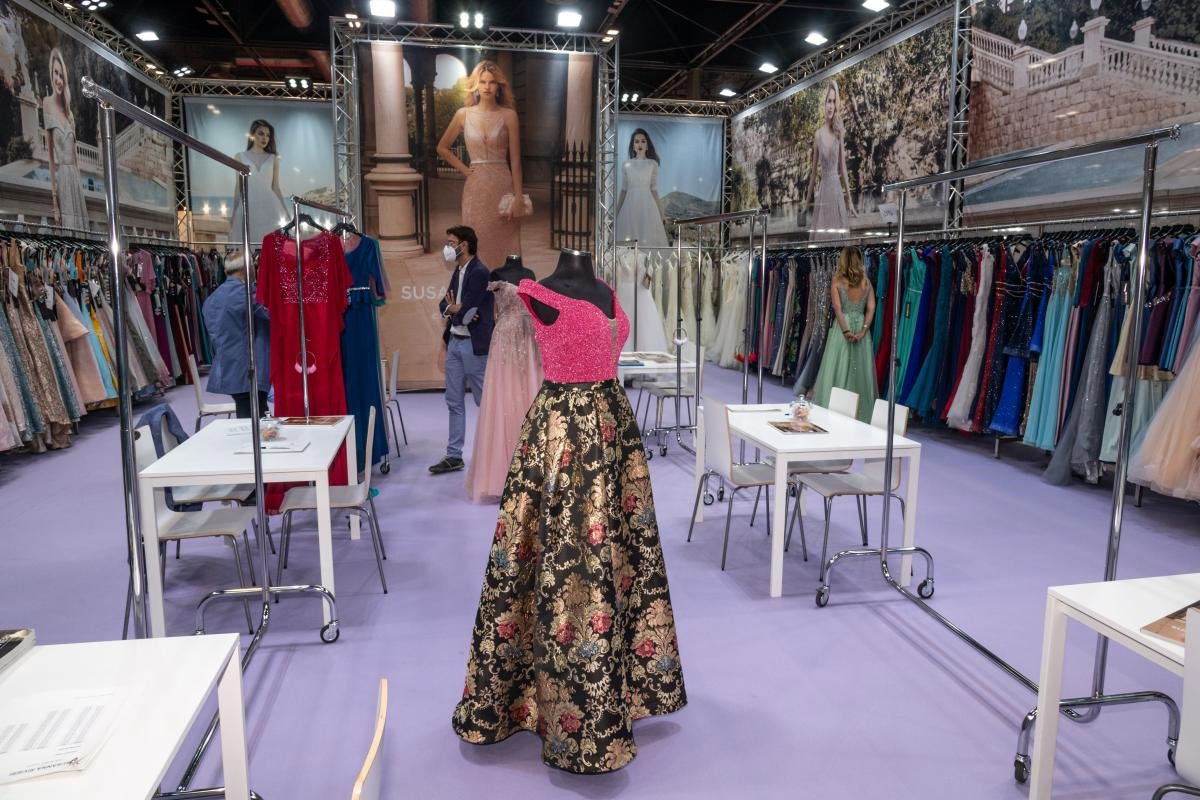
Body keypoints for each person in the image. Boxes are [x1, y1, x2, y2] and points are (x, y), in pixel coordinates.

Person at [452, 249, 686, 773]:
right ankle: (555, 703)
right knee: (564, 558)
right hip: (564, 430)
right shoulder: (535, 293)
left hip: (613, 428)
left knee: (619, 557)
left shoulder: (607, 290)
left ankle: (623, 690)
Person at [464, 255, 543, 502]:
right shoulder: (496, 273)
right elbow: (493, 308)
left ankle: (532, 473)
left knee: (530, 390)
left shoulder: (530, 273)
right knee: (505, 391)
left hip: (528, 334)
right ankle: (501, 476)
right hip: (507, 334)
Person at [437, 60, 524, 269]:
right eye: (482, 82)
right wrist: (465, 170)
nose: (487, 87)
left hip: (502, 187)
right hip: (475, 191)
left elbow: (516, 161)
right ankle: (476, 286)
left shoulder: (509, 115)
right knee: (475, 241)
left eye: (492, 82)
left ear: (499, 86)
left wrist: (519, 197)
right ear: (475, 85)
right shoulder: (463, 114)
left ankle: (503, 287)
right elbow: (442, 148)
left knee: (505, 244)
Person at [431, 225, 494, 475]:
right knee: (453, 401)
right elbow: (445, 306)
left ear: (464, 245)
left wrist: (458, 310)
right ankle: (454, 456)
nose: (447, 247)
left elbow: (467, 312)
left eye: (451, 242)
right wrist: (455, 309)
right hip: (455, 343)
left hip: (473, 345)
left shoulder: (479, 272)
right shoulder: (459, 270)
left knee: (484, 401)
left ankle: (494, 454)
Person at [809, 247, 876, 421]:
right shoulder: (866, 282)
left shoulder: (837, 281)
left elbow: (838, 309)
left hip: (842, 327)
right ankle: (860, 413)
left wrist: (846, 330)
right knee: (860, 371)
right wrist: (863, 330)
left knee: (838, 367)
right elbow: (871, 308)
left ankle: (834, 409)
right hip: (860, 325)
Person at [201, 254, 271, 418]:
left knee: (249, 411)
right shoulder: (246, 294)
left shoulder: (212, 298)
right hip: (248, 368)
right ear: (248, 269)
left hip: (227, 367)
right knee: (254, 418)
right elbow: (273, 314)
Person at [802, 82, 857, 241]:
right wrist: (806, 204)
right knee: (823, 238)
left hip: (836, 191)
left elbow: (843, 168)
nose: (831, 106)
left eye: (834, 101)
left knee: (839, 238)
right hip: (823, 192)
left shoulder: (839, 131)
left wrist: (850, 201)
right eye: (828, 101)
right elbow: (813, 174)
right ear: (824, 103)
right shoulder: (818, 135)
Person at [42, 48, 88, 230]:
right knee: (69, 231)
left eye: (61, 75)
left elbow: (76, 161)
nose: (58, 80)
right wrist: (55, 203)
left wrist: (80, 190)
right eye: (55, 73)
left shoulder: (70, 115)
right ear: (51, 73)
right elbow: (50, 160)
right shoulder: (47, 104)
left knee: (82, 231)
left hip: (75, 180)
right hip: (62, 179)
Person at [229, 119, 289, 247]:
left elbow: (275, 187)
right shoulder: (240, 157)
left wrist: (286, 211)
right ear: (252, 135)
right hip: (248, 208)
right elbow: (239, 187)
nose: (264, 138)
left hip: (270, 209)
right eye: (261, 133)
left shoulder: (273, 158)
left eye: (268, 135)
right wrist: (234, 213)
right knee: (248, 247)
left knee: (271, 247)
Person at [615, 128, 669, 247]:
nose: (640, 144)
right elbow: (624, 190)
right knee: (629, 239)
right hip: (629, 207)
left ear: (647, 145)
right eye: (637, 141)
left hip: (648, 207)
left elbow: (654, 190)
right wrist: (617, 212)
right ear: (633, 146)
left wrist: (662, 213)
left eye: (643, 141)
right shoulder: (626, 164)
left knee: (648, 238)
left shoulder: (652, 164)